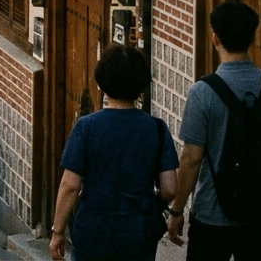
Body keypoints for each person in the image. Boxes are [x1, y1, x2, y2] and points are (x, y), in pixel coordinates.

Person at [167, 1, 261, 260]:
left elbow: (192, 158)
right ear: (253, 37)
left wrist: (177, 211)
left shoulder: (203, 92)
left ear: (214, 38)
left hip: (212, 214)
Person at [50, 44, 178, 261]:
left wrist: (58, 231)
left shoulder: (87, 127)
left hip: (93, 229)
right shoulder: (156, 128)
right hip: (138, 231)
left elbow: (70, 185)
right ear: (141, 86)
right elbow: (169, 188)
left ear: (102, 82)